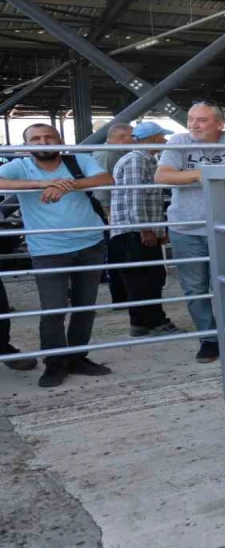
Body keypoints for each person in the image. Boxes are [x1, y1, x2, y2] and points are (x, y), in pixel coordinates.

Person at [0, 124, 115, 387]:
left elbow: (105, 179)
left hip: (90, 244)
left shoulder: (78, 160)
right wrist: (41, 183)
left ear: (59, 140)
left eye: (49, 137)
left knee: (85, 307)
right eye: (36, 139)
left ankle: (77, 358)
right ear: (27, 145)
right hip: (47, 250)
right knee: (53, 310)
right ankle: (55, 363)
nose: (43, 142)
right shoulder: (21, 167)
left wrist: (65, 185)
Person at [156, 101, 225, 363]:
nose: (193, 124)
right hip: (186, 228)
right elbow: (163, 176)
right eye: (191, 119)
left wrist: (196, 174)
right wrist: (203, 174)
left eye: (201, 120)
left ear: (219, 123)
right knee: (195, 288)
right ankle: (209, 338)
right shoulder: (179, 141)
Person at [110, 121, 183, 338]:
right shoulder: (137, 160)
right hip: (134, 231)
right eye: (161, 136)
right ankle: (156, 321)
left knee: (143, 277)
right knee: (147, 278)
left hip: (133, 230)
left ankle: (140, 322)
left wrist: (157, 229)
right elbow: (136, 196)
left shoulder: (142, 159)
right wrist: (146, 229)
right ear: (152, 138)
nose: (164, 140)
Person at [95, 123, 132, 304]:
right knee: (116, 252)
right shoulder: (108, 154)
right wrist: (108, 213)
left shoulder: (114, 153)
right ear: (123, 137)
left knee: (118, 251)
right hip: (109, 211)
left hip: (111, 210)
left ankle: (122, 295)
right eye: (132, 137)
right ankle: (120, 296)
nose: (134, 140)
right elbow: (102, 187)